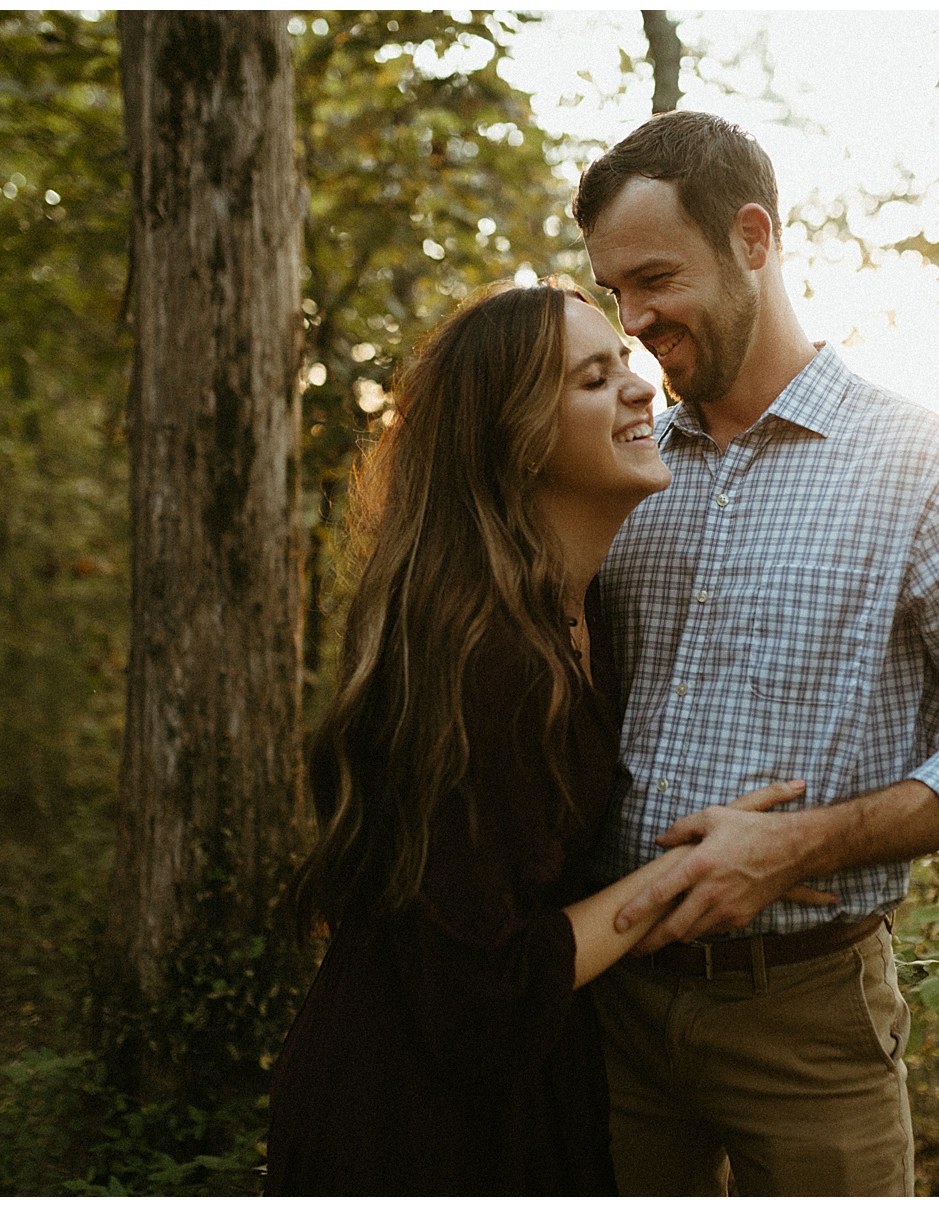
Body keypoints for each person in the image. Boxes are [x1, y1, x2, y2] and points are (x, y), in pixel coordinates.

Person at [572, 110, 939, 1195]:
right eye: (615, 293)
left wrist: (795, 847)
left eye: (656, 278)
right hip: (605, 1003)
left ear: (753, 238)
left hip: (808, 1020)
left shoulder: (934, 469)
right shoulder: (624, 469)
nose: (636, 321)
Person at [263, 279, 826, 1195]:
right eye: (594, 379)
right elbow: (483, 987)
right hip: (412, 1122)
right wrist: (695, 866)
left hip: (522, 1092)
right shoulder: (488, 662)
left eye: (628, 365)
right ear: (518, 440)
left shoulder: (584, 610)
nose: (643, 388)